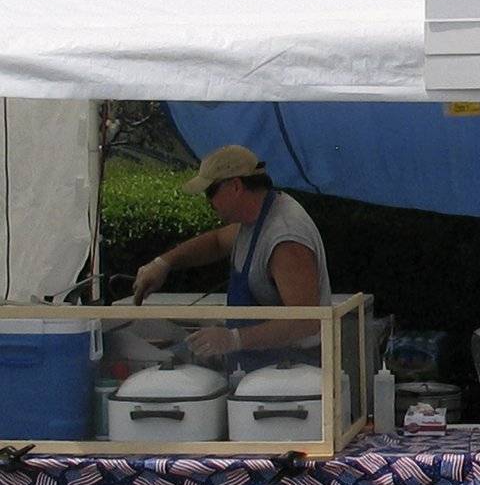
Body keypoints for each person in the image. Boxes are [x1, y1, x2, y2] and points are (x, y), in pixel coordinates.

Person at [131, 145, 331, 364]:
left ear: (235, 186)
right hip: (260, 362)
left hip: (293, 371)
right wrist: (163, 263)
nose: (209, 202)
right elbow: (216, 242)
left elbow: (306, 320)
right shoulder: (253, 219)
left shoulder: (285, 238)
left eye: (211, 192)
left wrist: (233, 339)